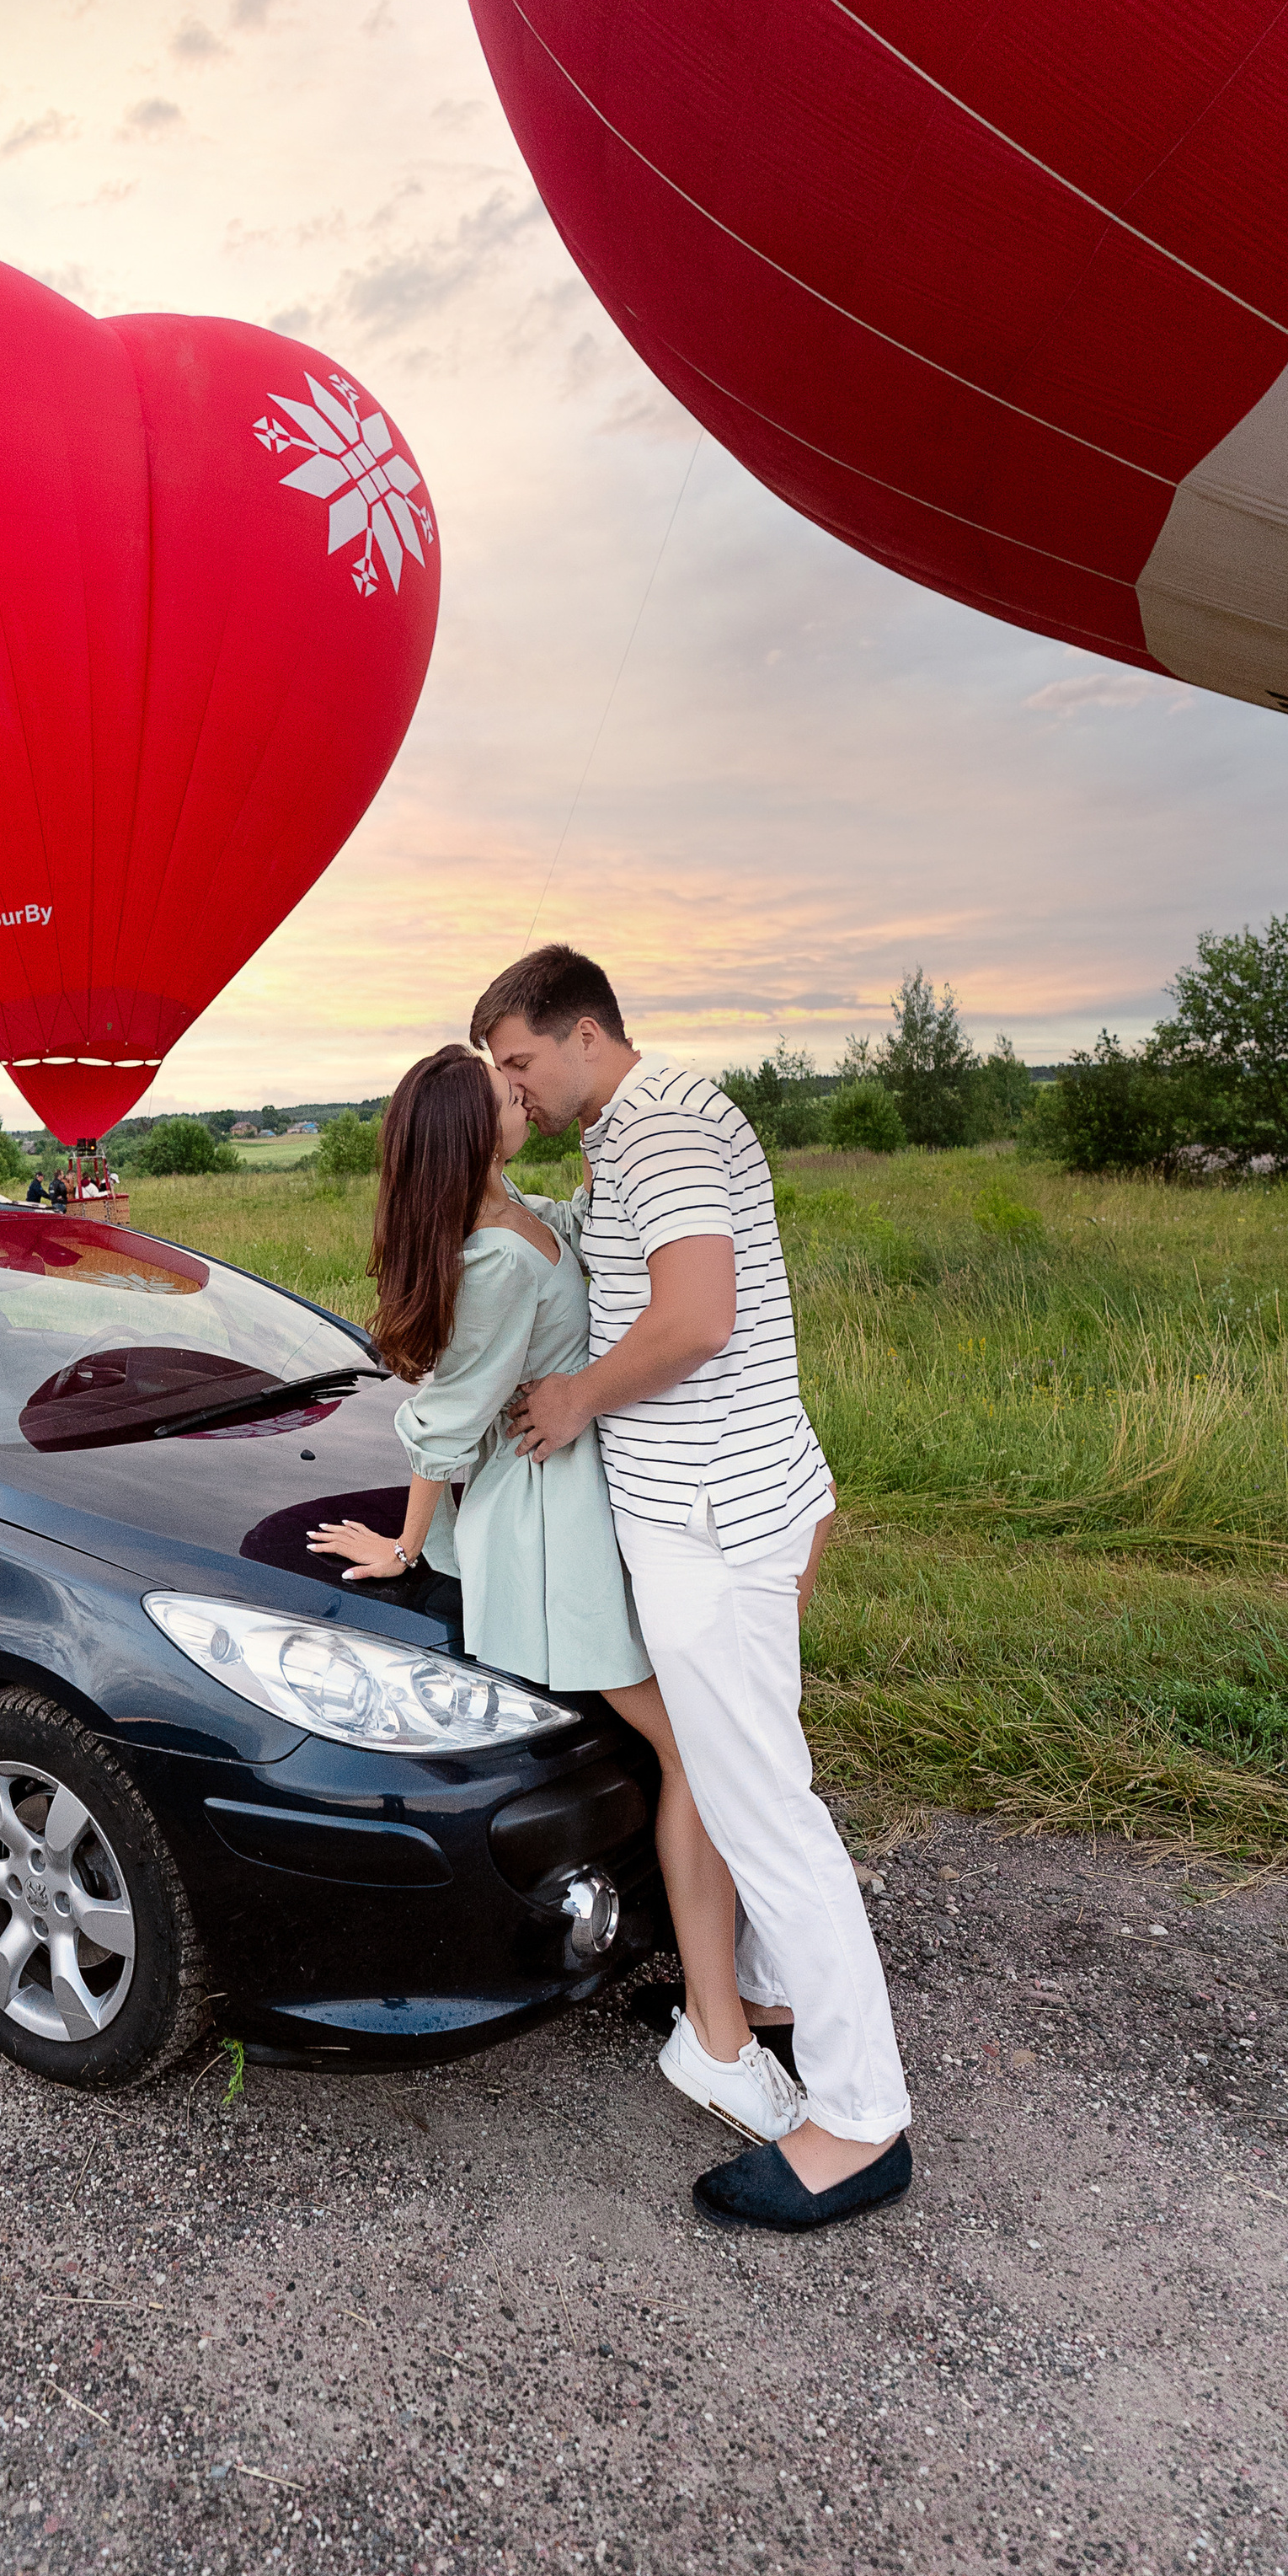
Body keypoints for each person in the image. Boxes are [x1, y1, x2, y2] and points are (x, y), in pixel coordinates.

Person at [474, 941, 912, 2232]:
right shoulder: (649, 1128)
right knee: (749, 1774)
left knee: (761, 1804)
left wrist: (573, 1399)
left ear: (584, 1033)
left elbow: (698, 1317)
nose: (518, 1089)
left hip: (713, 1528)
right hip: (746, 1498)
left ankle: (857, 2115)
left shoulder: (657, 1130)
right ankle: (765, 2000)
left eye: (519, 1062)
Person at [307, 1043, 803, 2147]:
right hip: (555, 1529)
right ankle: (717, 2031)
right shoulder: (490, 1257)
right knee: (699, 1749)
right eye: (501, 1094)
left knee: (692, 1745)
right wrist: (403, 1543)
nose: (518, 1094)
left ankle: (741, 1985)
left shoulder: (522, 1212)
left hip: (597, 1494)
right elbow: (449, 1409)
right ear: (470, 1133)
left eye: (516, 1079)